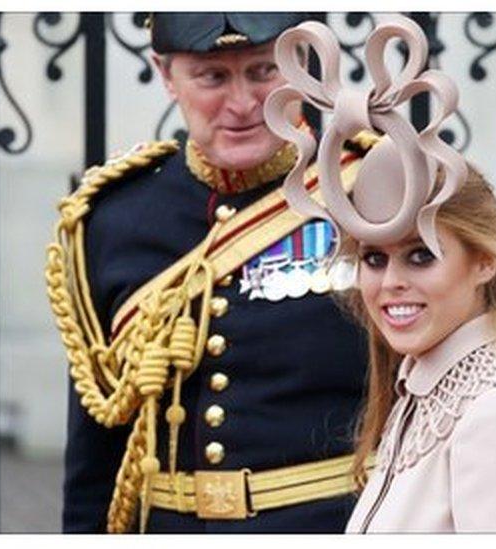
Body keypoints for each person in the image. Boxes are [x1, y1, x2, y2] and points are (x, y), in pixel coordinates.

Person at [45, 13, 377, 533]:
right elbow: (98, 442)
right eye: (213, 77)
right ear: (165, 73)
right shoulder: (112, 219)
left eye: (265, 71)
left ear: (303, 66)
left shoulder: (369, 192)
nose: (243, 104)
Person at [260, 16, 496, 533]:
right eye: (374, 258)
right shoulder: (426, 391)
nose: (391, 280)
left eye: (420, 256)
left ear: (485, 260)